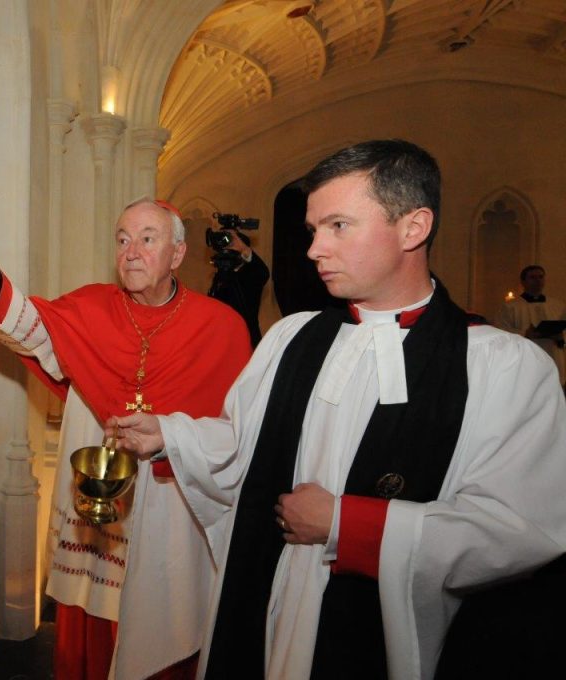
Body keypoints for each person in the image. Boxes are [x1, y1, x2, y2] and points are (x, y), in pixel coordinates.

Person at [111, 140, 566, 679]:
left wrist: (346, 524)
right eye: (313, 230)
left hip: (384, 633)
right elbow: (243, 445)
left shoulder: (501, 367)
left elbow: (518, 528)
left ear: (413, 228)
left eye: (338, 227)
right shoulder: (291, 338)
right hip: (272, 608)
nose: (313, 250)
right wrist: (169, 435)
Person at [0, 198, 251, 679]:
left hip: (173, 511)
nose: (131, 251)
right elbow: (29, 326)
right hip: (98, 519)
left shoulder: (221, 327)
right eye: (123, 239)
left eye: (148, 239)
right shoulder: (90, 307)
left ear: (178, 253)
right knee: (90, 634)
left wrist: (171, 435)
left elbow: (240, 437)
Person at [498, 265, 565, 386]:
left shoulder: (558, 306)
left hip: (553, 355)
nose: (538, 280)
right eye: (532, 277)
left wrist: (561, 337)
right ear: (523, 281)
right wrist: (525, 333)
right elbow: (501, 331)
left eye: (541, 277)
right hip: (526, 359)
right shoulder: (511, 307)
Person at [207, 228, 270, 345]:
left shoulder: (250, 275)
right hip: (220, 339)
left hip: (245, 340)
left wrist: (244, 249)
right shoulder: (221, 277)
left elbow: (263, 273)